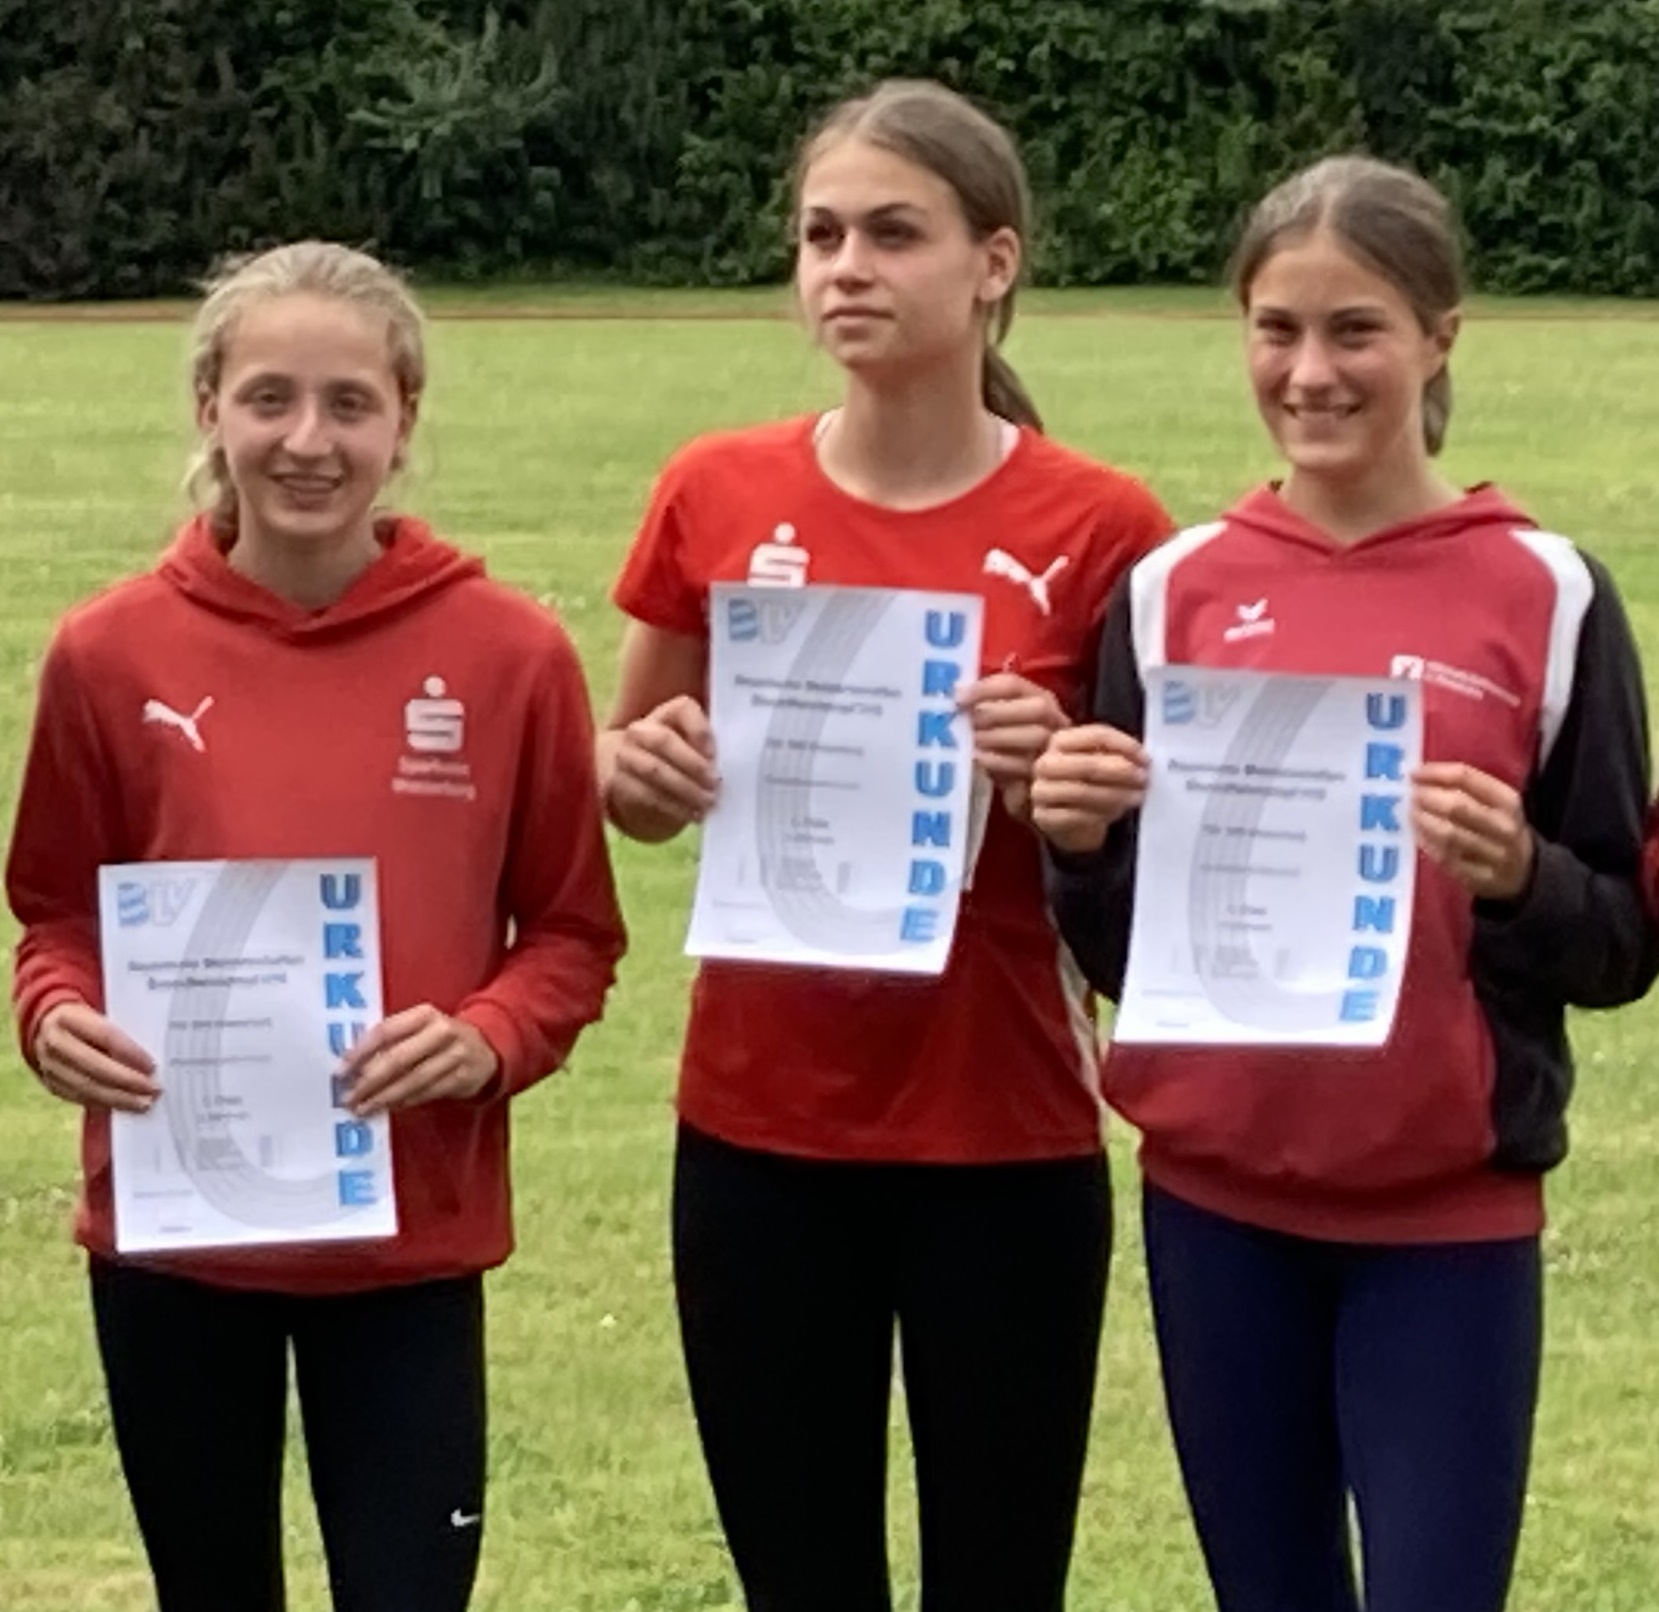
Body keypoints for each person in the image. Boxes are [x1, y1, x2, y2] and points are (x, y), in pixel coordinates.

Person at [1032, 155, 1658, 1612]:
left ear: (1440, 337)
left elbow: (1625, 941)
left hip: (1444, 1223)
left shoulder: (1550, 593)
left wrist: (1522, 878)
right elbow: (1130, 954)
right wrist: (1080, 844)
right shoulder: (1173, 591)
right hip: (1215, 1209)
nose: (1310, 373)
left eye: (1355, 329)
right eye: (1277, 329)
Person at [598, 77, 1170, 1612]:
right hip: (760, 1129)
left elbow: (1146, 854)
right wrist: (637, 770)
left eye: (893, 234)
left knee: (1000, 1583)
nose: (846, 268)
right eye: (822, 235)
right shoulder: (715, 489)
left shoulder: (1106, 525)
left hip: (1005, 1133)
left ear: (995, 262)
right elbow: (630, 774)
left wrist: (1061, 777)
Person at [5, 241, 626, 1612]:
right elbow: (54, 910)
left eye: (349, 403)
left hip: (406, 1244)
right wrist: (56, 1014)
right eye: (268, 398)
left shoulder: (510, 653)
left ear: (403, 420)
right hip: (177, 1238)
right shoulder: (108, 653)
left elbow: (573, 934)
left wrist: (486, 1036)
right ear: (209, 410)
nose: (307, 440)